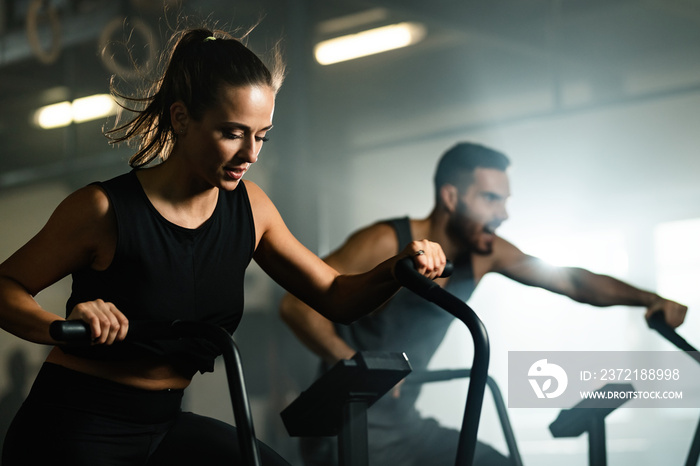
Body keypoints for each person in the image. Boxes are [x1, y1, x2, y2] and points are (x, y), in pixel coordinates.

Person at [0, 26, 448, 466]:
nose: (251, 154)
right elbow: (6, 286)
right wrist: (59, 326)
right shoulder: (104, 209)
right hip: (75, 427)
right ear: (180, 118)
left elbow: (335, 296)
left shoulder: (251, 209)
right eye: (233, 133)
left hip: (164, 425)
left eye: (262, 136)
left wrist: (397, 268)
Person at [279, 142, 689, 466]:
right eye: (491, 199)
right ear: (451, 197)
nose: (503, 213)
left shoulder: (486, 253)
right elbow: (296, 306)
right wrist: (357, 363)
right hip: (346, 428)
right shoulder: (388, 241)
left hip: (404, 424)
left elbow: (571, 280)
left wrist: (648, 299)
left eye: (505, 201)